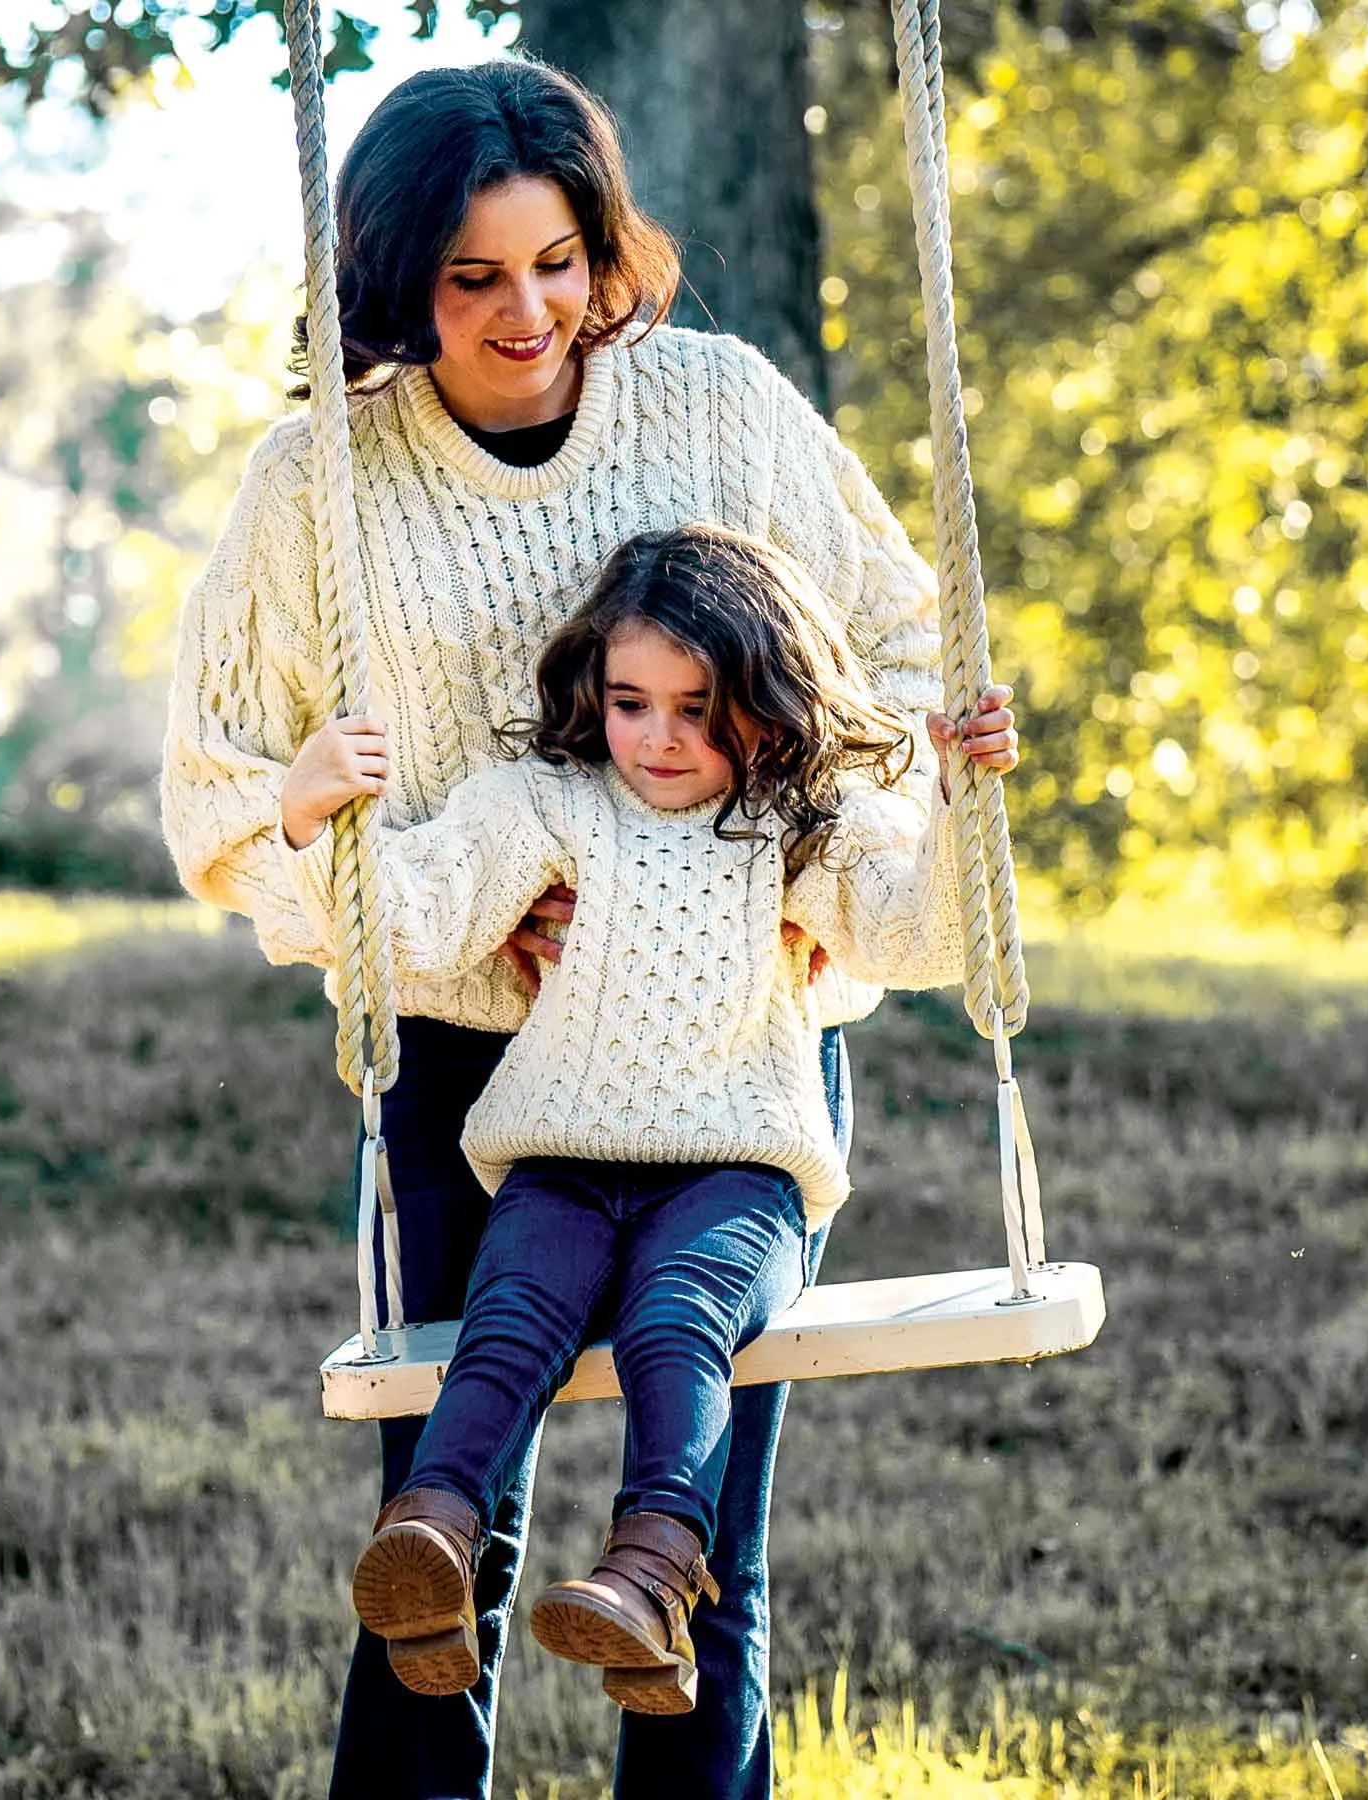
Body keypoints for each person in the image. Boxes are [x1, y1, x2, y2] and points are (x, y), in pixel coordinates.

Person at [158, 56, 1019, 1800]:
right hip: (471, 1065)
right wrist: (410, 934)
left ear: (601, 244)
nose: (527, 312)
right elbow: (219, 797)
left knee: (697, 1551)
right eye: (472, 279)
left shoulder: (717, 406)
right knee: (437, 1537)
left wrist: (798, 867)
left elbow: (901, 657)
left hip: (736, 1059)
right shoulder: (314, 486)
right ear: (402, 281)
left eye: (556, 262)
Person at [278, 525, 1014, 1723]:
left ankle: (654, 1569)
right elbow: (411, 925)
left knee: (682, 1324)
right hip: (561, 1161)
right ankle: (433, 1538)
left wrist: (954, 801)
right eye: (630, 703)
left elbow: (910, 940)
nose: (659, 738)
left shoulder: (793, 824)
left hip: (735, 1171)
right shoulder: (549, 803)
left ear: (767, 706)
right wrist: (314, 822)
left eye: (697, 708)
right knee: (506, 1320)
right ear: (593, 693)